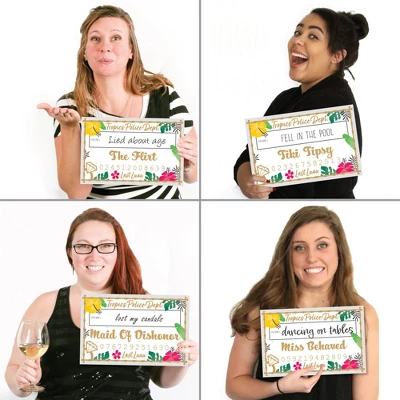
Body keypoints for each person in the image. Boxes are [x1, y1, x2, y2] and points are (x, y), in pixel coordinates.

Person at [5, 208, 199, 399]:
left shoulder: (146, 305)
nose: (94, 255)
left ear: (118, 251)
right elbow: (14, 371)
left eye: (105, 245)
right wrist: (21, 379)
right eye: (83, 246)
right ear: (70, 252)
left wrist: (183, 360)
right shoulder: (46, 303)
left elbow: (162, 380)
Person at [38, 5, 198, 199]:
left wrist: (187, 165)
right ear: (84, 52)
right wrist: (71, 129)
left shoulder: (164, 96)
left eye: (116, 37)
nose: (105, 46)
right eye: (95, 38)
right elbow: (76, 193)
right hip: (104, 211)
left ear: (131, 50)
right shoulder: (70, 106)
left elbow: (192, 176)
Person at [226, 206, 378, 399]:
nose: (311, 258)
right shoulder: (262, 308)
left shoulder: (362, 314)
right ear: (288, 255)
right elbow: (234, 385)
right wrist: (278, 387)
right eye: (300, 248)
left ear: (339, 250)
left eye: (322, 245)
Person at [234, 8, 368, 199]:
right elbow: (248, 156)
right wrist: (247, 181)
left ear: (337, 56)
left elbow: (310, 192)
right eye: (298, 32)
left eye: (313, 36)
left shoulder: (332, 104)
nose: (297, 40)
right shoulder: (287, 97)